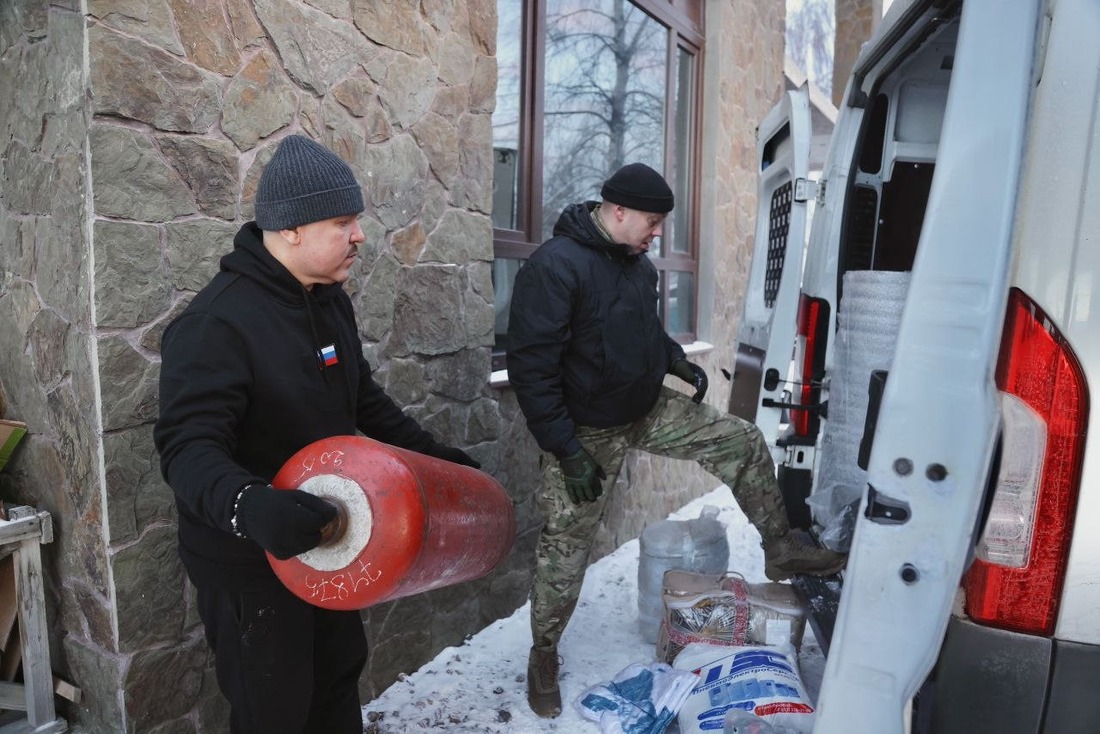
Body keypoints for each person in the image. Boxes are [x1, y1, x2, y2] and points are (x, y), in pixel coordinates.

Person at [153, 134, 480, 734]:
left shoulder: (328, 302)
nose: (359, 235)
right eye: (343, 221)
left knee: (335, 683)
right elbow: (187, 450)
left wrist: (440, 461)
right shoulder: (214, 324)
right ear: (290, 230)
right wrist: (251, 505)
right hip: (250, 560)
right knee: (274, 711)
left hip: (332, 543)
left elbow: (364, 402)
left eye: (355, 219)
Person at [506, 162, 846, 717]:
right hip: (585, 429)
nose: (658, 232)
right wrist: (565, 449)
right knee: (565, 549)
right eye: (652, 220)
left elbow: (642, 331)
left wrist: (672, 358)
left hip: (643, 408)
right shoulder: (555, 268)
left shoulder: (636, 266)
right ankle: (543, 655)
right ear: (617, 211)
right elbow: (531, 369)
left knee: (741, 440)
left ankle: (782, 548)